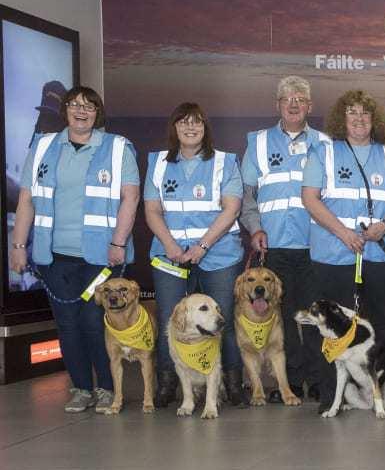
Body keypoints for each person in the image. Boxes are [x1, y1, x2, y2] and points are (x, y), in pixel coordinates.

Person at [9, 86, 140, 413]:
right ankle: (81, 388)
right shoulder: (42, 148)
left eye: (89, 106)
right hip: (55, 258)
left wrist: (118, 243)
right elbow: (26, 200)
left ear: (98, 113)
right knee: (67, 325)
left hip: (101, 259)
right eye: (75, 105)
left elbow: (131, 198)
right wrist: (18, 246)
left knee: (94, 324)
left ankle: (108, 389)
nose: (81, 111)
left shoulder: (117, 148)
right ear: (65, 111)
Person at [301, 90, 385, 411]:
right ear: (342, 118)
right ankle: (331, 399)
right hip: (334, 253)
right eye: (352, 113)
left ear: (374, 119)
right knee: (330, 327)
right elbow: (310, 198)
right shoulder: (322, 152)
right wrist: (343, 233)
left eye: (365, 113)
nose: (359, 119)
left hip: (381, 253)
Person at [144, 103, 246, 407]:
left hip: (218, 255)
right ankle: (167, 382)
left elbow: (232, 207)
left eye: (197, 123)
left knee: (221, 319)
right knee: (170, 319)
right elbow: (152, 210)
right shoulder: (158, 162)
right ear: (174, 128)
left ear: (205, 128)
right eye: (184, 122)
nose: (191, 128)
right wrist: (172, 246)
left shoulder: (225, 162)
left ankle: (232, 382)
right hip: (170, 255)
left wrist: (202, 246)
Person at [239, 75, 329, 402]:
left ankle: (320, 380)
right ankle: (288, 382)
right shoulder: (259, 143)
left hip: (316, 246)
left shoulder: (325, 143)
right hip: (273, 246)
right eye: (287, 98)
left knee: (317, 317)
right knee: (286, 320)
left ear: (309, 106)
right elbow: (247, 196)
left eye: (300, 98)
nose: (293, 103)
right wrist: (254, 228)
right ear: (278, 104)